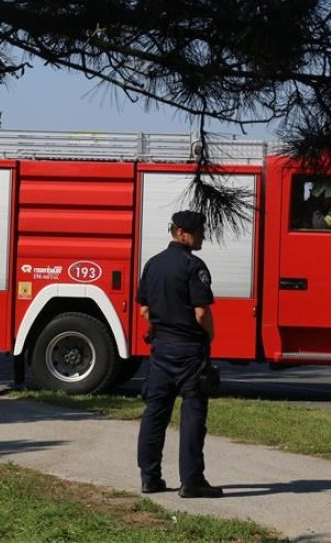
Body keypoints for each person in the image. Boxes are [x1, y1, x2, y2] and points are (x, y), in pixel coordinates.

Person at [136, 210, 223, 499]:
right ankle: (192, 481)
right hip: (189, 351)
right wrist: (209, 335)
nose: (202, 237)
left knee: (155, 413)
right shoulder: (193, 265)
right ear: (182, 232)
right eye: (198, 232)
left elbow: (144, 310)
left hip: (160, 349)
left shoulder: (153, 264)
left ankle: (150, 478)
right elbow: (201, 312)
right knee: (193, 414)